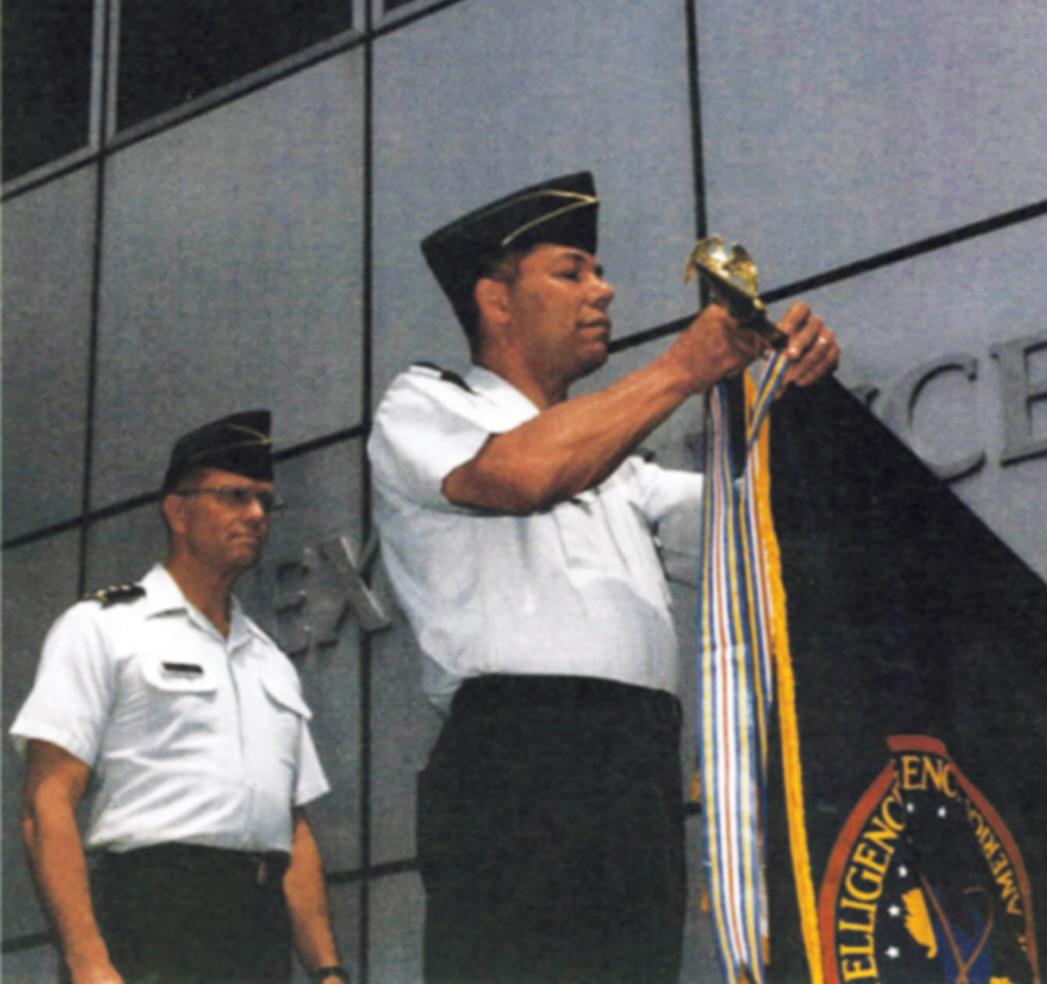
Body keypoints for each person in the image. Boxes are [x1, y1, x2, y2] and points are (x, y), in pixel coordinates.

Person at [368, 171, 840, 984]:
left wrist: (797, 398)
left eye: (597, 271)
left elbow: (762, 528)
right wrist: (681, 369)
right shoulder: (426, 404)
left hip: (636, 767)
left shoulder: (620, 466)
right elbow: (520, 476)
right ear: (496, 298)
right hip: (521, 762)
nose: (604, 289)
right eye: (572, 270)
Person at [11, 411, 349, 984]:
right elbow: (47, 804)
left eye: (266, 502)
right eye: (235, 496)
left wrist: (327, 971)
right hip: (152, 923)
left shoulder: (267, 658)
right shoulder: (103, 627)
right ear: (177, 509)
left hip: (258, 934)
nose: (257, 516)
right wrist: (89, 961)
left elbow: (291, 827)